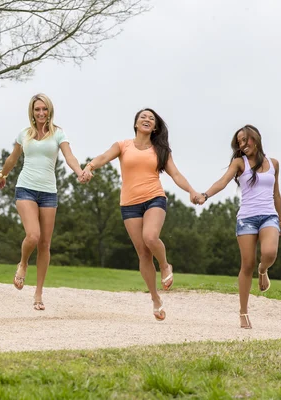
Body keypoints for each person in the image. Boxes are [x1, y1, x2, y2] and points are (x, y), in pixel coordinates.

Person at [81, 108, 201, 321]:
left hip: (155, 198)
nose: (147, 119)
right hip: (129, 205)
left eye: (151, 118)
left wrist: (191, 190)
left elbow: (175, 174)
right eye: (143, 117)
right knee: (143, 254)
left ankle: (165, 265)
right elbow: (104, 157)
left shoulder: (160, 150)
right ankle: (155, 298)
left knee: (150, 237)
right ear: (136, 123)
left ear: (154, 127)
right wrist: (90, 166)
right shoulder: (123, 145)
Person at [0, 93, 86, 311]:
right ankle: (23, 263)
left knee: (45, 244)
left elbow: (69, 156)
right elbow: (13, 158)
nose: (41, 113)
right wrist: (3, 175)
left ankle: (38, 293)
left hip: (48, 193)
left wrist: (79, 171)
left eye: (44, 109)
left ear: (50, 111)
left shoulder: (58, 134)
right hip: (25, 188)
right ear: (32, 112)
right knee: (33, 236)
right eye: (37, 109)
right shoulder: (24, 134)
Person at [195, 124, 281, 329]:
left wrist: (280, 218)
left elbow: (276, 193)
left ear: (256, 138)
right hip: (246, 219)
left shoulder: (274, 164)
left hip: (269, 216)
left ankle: (263, 270)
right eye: (240, 142)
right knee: (247, 265)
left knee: (269, 253)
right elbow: (223, 181)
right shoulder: (239, 163)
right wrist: (205, 195)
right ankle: (243, 312)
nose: (244, 144)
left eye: (247, 139)